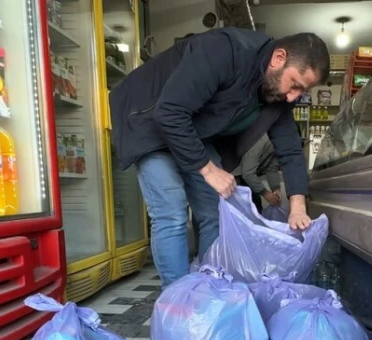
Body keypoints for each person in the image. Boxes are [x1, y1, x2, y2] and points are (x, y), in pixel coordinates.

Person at [109, 29, 330, 287]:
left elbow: (290, 148)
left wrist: (298, 206)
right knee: (172, 212)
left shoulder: (278, 95)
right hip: (151, 123)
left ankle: (210, 287)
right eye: (294, 85)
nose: (292, 97)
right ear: (278, 58)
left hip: (193, 131)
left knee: (215, 211)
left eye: (301, 92)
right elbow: (170, 112)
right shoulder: (225, 50)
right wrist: (208, 170)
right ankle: (178, 300)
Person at [232, 134, 282, 213]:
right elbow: (248, 174)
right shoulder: (260, 140)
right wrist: (265, 193)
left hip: (245, 175)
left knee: (256, 206)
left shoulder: (276, 145)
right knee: (242, 209)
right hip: (233, 173)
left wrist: (276, 188)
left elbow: (271, 168)